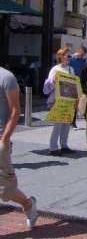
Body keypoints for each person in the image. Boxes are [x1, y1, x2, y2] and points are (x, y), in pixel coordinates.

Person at [0, 67, 38, 228]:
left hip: (0, 138)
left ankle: (29, 205)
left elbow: (15, 111)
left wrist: (5, 140)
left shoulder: (6, 77)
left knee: (5, 191)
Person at [43, 47, 77, 155]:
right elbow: (48, 86)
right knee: (58, 124)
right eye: (68, 56)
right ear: (61, 56)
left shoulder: (71, 69)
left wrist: (76, 98)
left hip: (68, 100)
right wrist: (53, 81)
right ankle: (53, 147)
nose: (69, 58)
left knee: (66, 123)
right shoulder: (55, 69)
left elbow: (74, 85)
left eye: (70, 56)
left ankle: (64, 145)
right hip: (57, 100)